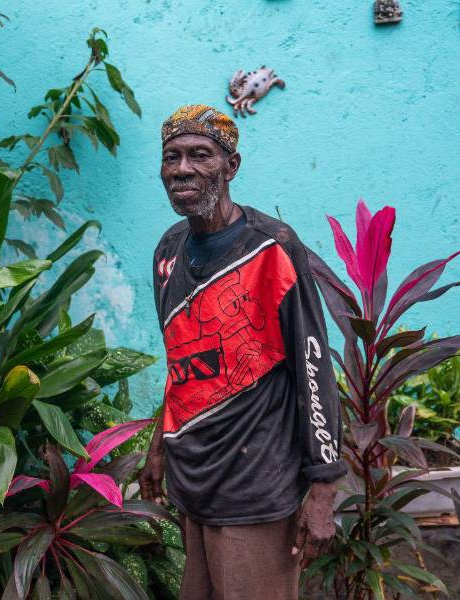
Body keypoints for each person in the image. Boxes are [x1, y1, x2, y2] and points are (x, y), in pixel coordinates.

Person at [139, 104, 347, 600]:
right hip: (194, 481)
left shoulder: (271, 248)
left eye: (200, 155)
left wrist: (323, 488)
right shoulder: (169, 250)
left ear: (230, 167)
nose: (182, 169)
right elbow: (182, 363)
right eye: (172, 157)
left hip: (257, 485)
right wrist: (158, 444)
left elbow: (313, 367)